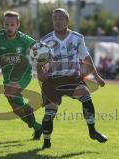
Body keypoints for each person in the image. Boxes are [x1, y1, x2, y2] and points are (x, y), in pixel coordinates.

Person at [37, 8, 108, 149]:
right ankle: (46, 143)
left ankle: (92, 131)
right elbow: (40, 62)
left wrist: (97, 77)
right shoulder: (45, 40)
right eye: (55, 18)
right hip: (52, 80)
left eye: (60, 18)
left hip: (72, 79)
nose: (57, 21)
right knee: (49, 113)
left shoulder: (77, 38)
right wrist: (40, 73)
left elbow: (87, 59)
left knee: (86, 95)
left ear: (67, 20)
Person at [0, 11, 42, 140]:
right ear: (3, 25)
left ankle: (29, 110)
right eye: (7, 24)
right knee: (17, 110)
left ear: (18, 25)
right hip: (8, 76)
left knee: (10, 92)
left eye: (12, 24)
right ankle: (37, 127)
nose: (9, 27)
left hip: (24, 73)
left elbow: (39, 47)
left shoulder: (23, 38)